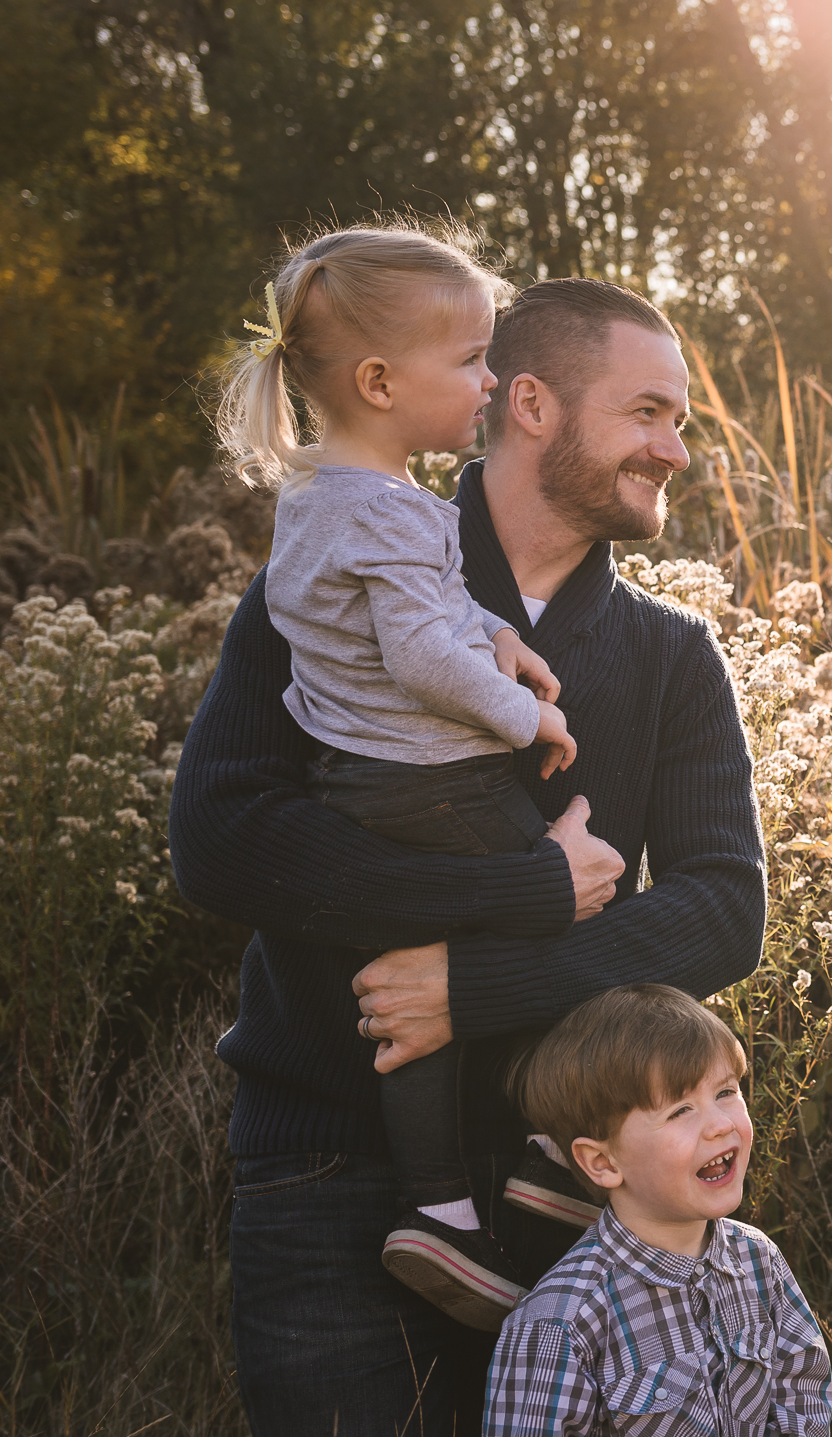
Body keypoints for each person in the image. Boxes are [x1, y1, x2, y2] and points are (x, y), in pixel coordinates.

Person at [171, 267, 770, 1436]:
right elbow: (222, 840)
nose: (677, 452)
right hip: (328, 1175)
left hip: (590, 1198)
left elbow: (721, 912)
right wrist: (523, 887)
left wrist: (473, 984)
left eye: (680, 422)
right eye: (649, 413)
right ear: (532, 403)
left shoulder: (672, 655)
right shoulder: (336, 578)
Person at [213, 224, 594, 1328]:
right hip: (429, 780)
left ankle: (452, 1203)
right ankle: (527, 1156)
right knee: (556, 906)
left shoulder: (330, 499)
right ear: (379, 381)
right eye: (470, 360)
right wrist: (527, 714)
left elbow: (420, 610)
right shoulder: (385, 507)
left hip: (363, 782)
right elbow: (421, 654)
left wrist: (497, 632)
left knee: (426, 986)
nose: (489, 379)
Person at [484, 984, 832, 1435]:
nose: (721, 1124)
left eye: (726, 1092)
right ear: (603, 1163)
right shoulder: (561, 1325)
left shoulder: (759, 1262)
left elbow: (803, 1393)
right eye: (681, 1110)